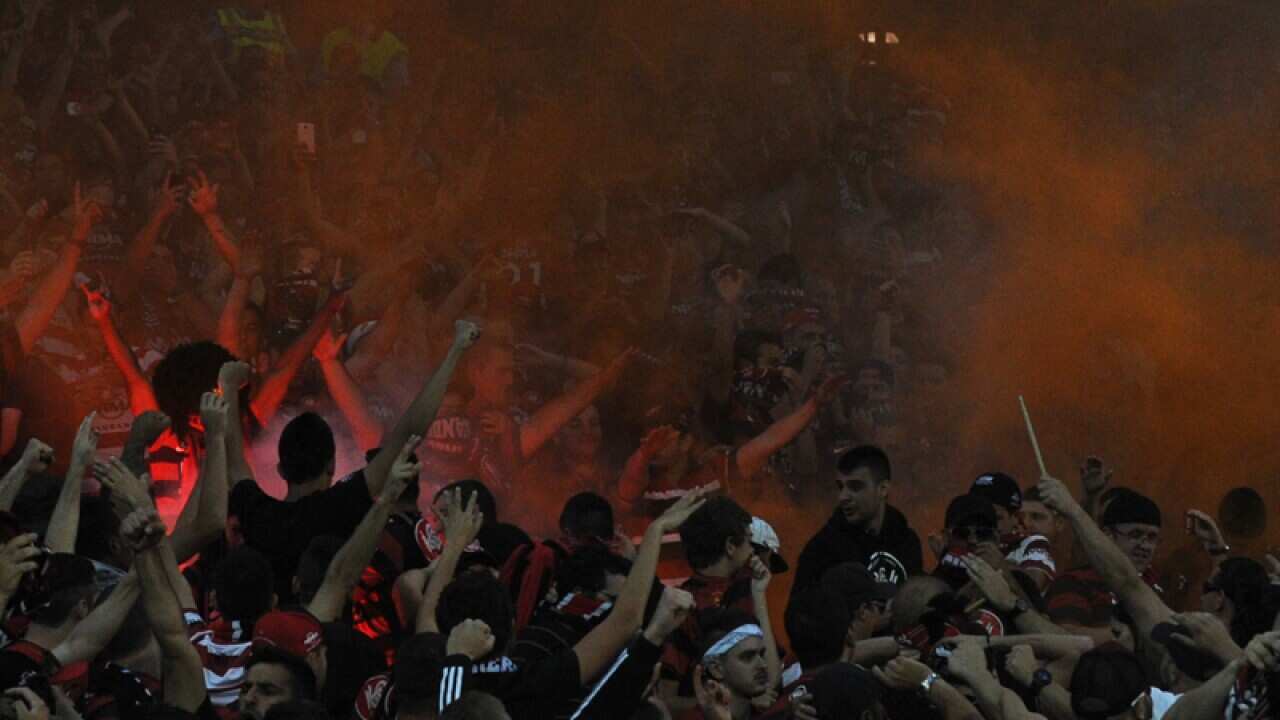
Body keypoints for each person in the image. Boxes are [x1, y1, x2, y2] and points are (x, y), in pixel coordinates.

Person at [791, 445, 922, 596]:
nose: (843, 497)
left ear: (883, 489)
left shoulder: (907, 542)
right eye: (841, 487)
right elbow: (796, 616)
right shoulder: (821, 550)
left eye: (855, 487)